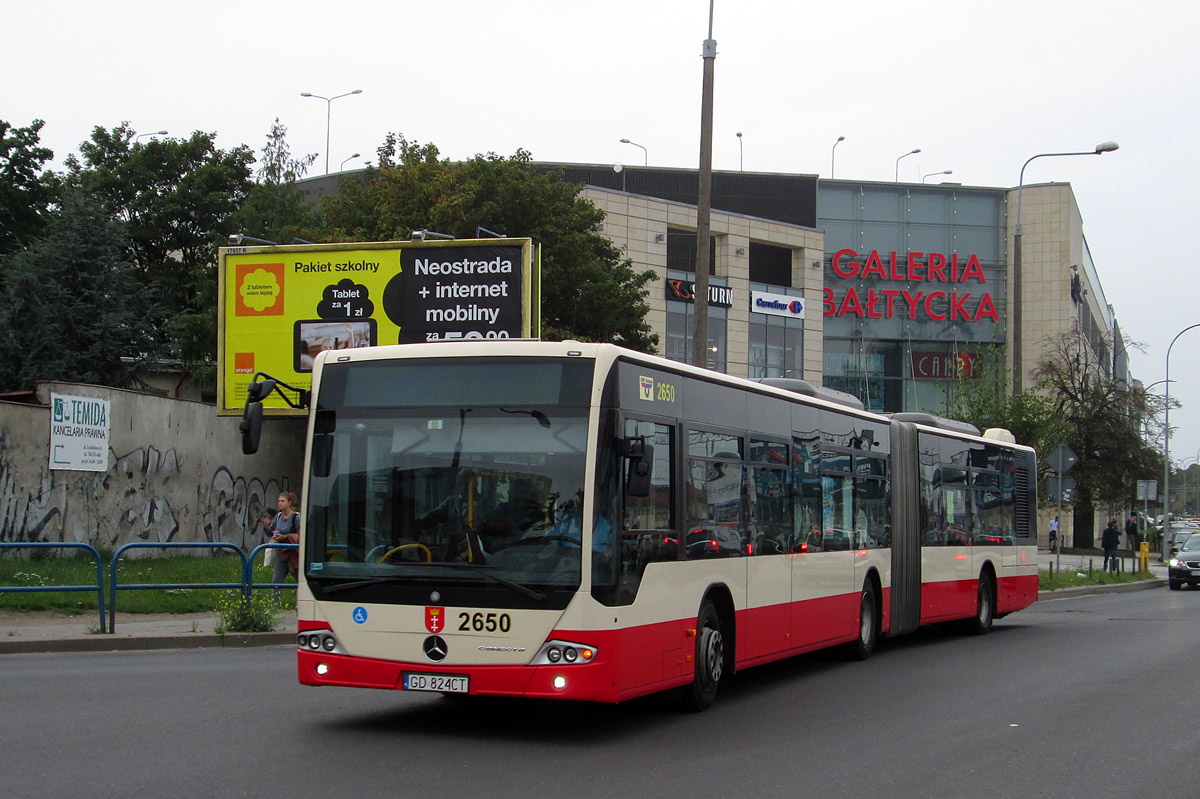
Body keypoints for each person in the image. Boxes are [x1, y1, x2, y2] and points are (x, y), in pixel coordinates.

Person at [262, 491, 300, 584]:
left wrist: (285, 536)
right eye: (279, 501)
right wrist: (266, 526)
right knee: (276, 581)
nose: (279, 503)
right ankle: (275, 599)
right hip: (281, 554)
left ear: (289, 503)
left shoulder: (296, 517)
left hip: (293, 554)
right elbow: (270, 532)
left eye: (282, 501)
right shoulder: (278, 516)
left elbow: (300, 535)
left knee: (299, 580)